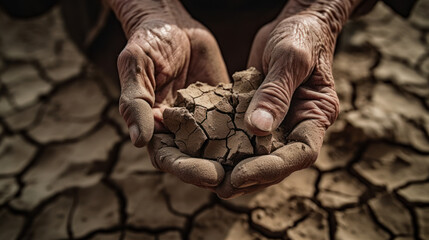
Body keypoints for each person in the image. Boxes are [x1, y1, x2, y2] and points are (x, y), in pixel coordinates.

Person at [0, 0, 417, 198]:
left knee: (290, 72)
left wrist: (322, 12)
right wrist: (144, 11)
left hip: (286, 22)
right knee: (147, 96)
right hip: (131, 25)